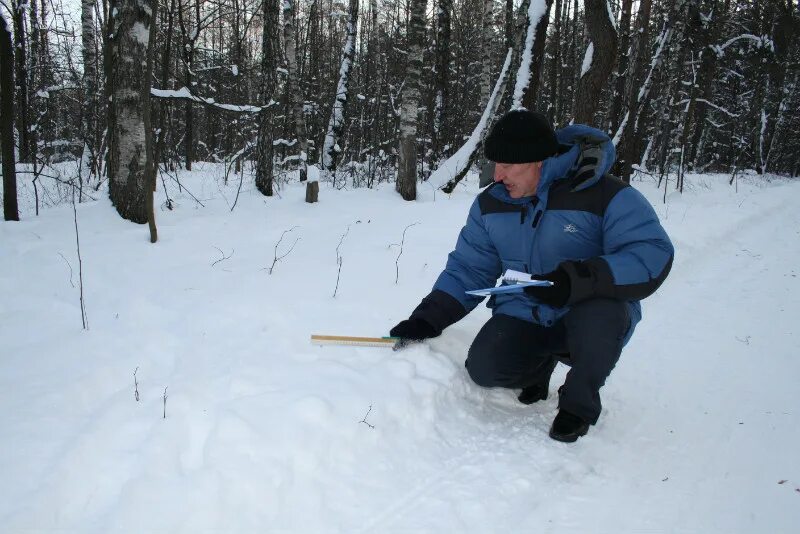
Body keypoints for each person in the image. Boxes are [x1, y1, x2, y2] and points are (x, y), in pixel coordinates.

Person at [390, 109, 674, 442]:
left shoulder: (605, 195)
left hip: (589, 310)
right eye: (496, 164)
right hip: (525, 309)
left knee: (602, 318)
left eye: (509, 165)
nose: (497, 175)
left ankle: (578, 403)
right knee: (484, 368)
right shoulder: (491, 205)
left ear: (540, 161)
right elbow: (470, 268)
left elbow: (651, 252)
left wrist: (578, 279)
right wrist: (428, 318)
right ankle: (539, 369)